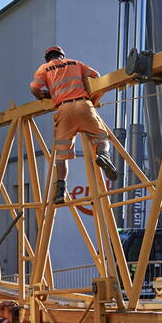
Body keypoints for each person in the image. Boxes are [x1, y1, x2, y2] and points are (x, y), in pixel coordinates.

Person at [29, 45, 118, 204]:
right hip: (84, 105)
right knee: (102, 138)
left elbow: (34, 87)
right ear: (62, 55)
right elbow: (96, 75)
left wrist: (43, 95)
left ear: (48, 57)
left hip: (64, 109)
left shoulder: (45, 68)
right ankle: (103, 155)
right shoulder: (75, 63)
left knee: (62, 155)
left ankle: (60, 190)